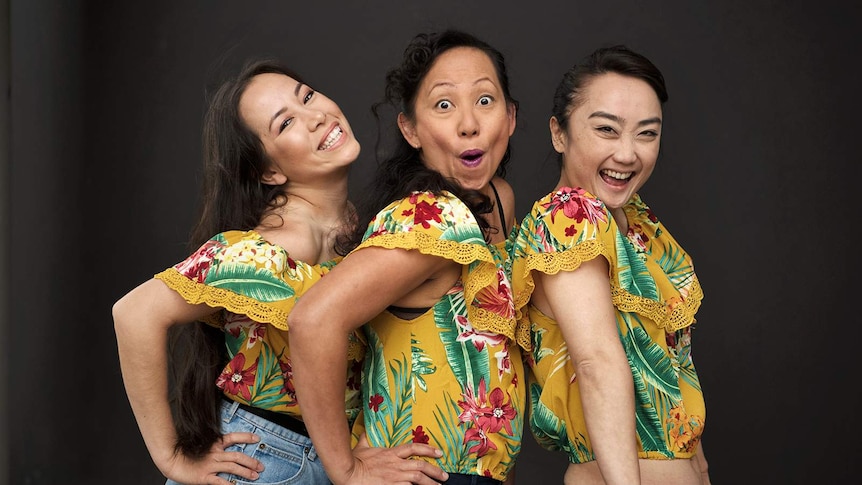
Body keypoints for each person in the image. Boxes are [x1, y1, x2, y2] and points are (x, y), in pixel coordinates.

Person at [112, 59, 445, 485]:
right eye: (286, 123)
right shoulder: (276, 246)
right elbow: (134, 313)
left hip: (315, 457)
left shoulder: (352, 225)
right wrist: (171, 457)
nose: (317, 116)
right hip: (264, 459)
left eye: (306, 96)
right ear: (270, 171)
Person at [287, 29, 529, 485]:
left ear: (510, 117)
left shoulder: (498, 200)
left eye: (484, 100)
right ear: (411, 130)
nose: (468, 124)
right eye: (443, 105)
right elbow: (312, 320)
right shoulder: (432, 214)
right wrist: (346, 470)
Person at [512, 44, 710, 485]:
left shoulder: (638, 225)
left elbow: (673, 373)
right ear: (559, 133)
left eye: (647, 133)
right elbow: (596, 363)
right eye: (607, 130)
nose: (628, 154)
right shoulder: (568, 218)